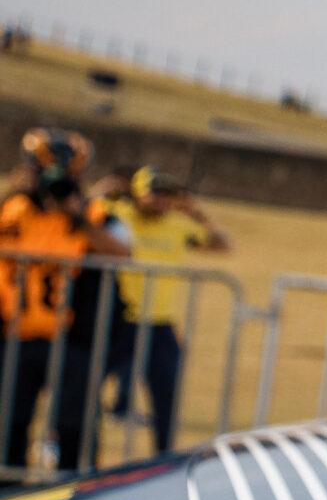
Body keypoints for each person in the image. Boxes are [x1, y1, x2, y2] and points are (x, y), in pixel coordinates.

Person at [0, 128, 127, 470]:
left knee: (75, 425)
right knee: (8, 422)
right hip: (14, 337)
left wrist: (77, 214)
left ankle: (76, 495)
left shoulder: (91, 214)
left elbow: (123, 252)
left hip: (71, 341)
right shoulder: (11, 209)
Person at [96, 166, 225, 454]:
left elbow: (221, 244)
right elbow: (83, 214)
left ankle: (164, 460)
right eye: (155, 193)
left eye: (168, 195)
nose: (161, 200)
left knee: (166, 399)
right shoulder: (118, 215)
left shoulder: (178, 224)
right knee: (84, 390)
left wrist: (196, 213)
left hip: (159, 324)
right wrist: (103, 189)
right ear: (138, 193)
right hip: (119, 321)